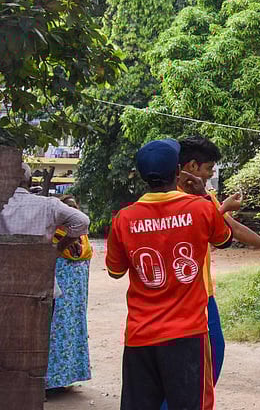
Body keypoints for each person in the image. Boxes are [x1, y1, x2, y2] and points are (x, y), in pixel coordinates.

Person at [163, 136, 260, 410]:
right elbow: (210, 231)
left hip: (202, 295)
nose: (211, 175)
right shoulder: (167, 199)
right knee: (181, 366)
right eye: (209, 169)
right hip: (181, 297)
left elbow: (230, 228)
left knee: (211, 356)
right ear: (191, 166)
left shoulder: (203, 197)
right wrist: (219, 208)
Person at [105, 138, 233, 410]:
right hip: (187, 333)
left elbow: (115, 271)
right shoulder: (199, 209)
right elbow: (224, 239)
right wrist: (202, 196)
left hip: (140, 335)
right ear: (178, 172)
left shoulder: (123, 218)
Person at [46, 195, 94, 392]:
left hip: (76, 304)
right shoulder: (53, 238)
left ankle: (67, 377)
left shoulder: (83, 241)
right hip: (58, 302)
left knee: (72, 332)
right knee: (55, 332)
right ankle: (53, 379)